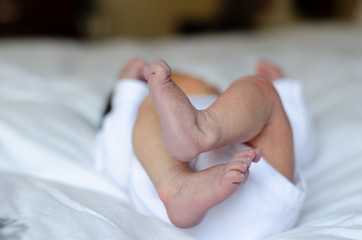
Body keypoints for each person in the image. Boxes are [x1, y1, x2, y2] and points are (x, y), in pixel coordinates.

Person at [95, 58, 314, 240]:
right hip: (267, 203)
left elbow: (117, 163)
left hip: (177, 212)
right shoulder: (142, 107)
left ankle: (198, 140)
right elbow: (300, 145)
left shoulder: (235, 110)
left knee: (253, 98)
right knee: (260, 89)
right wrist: (129, 91)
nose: (215, 86)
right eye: (205, 82)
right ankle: (178, 179)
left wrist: (128, 89)